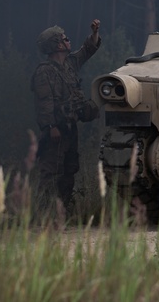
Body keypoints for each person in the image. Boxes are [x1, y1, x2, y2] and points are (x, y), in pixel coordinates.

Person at [31, 19, 102, 213]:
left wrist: (94, 33)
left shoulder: (70, 64)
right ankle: (45, 215)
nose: (69, 41)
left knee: (69, 170)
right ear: (57, 45)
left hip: (71, 129)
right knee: (51, 172)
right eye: (65, 39)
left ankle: (61, 213)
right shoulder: (44, 72)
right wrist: (51, 127)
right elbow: (44, 103)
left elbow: (87, 50)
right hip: (57, 130)